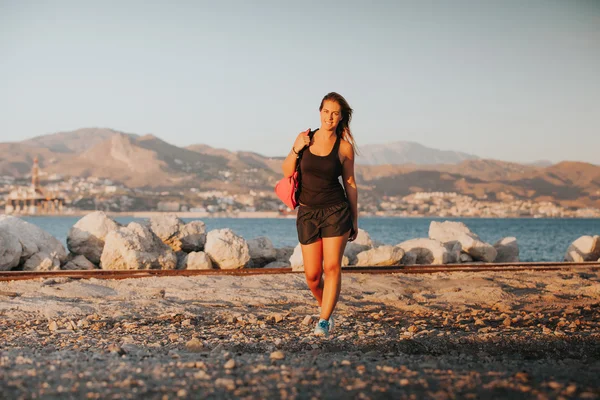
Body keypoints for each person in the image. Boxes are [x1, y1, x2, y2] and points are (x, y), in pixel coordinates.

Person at [281, 92, 359, 337]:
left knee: (333, 266)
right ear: (320, 112)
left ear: (341, 117)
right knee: (313, 276)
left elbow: (350, 184)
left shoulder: (344, 148)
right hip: (307, 212)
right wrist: (296, 147)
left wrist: (354, 219)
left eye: (335, 113)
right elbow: (286, 171)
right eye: (326, 111)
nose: (329, 117)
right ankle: (326, 306)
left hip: (336, 210)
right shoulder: (305, 139)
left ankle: (323, 321)